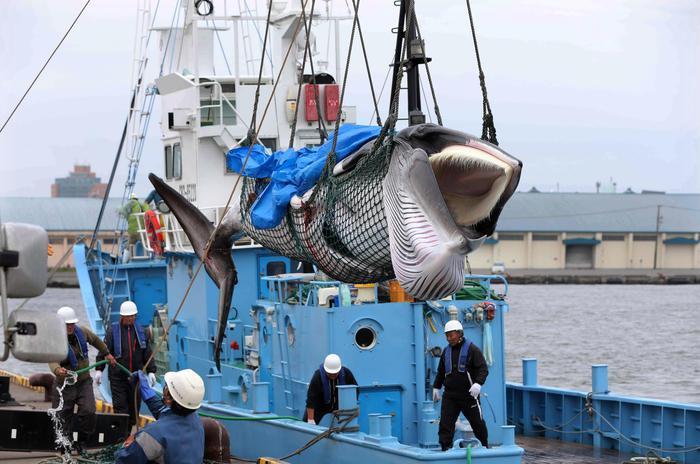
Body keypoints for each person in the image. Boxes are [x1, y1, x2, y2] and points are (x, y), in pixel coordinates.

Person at [49, 306, 116, 452]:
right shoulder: (54, 339)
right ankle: (64, 445)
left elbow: (97, 341)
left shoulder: (83, 332)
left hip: (83, 382)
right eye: (67, 324)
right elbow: (52, 360)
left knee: (89, 411)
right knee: (62, 416)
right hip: (64, 385)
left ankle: (82, 441)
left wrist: (106, 353)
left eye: (72, 324)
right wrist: (57, 370)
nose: (70, 327)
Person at [114, 369, 205, 463]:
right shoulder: (196, 420)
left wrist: (127, 443)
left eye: (166, 387)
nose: (164, 388)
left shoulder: (153, 434)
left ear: (169, 399)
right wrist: (146, 390)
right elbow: (166, 413)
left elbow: (124, 459)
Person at [96, 301, 157, 429]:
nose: (131, 318)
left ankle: (127, 434)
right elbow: (103, 350)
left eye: (133, 316)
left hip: (136, 378)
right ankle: (121, 439)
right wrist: (99, 370)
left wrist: (151, 371)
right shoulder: (112, 331)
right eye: (128, 316)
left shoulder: (142, 332)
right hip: (118, 378)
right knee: (121, 410)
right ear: (122, 316)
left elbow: (147, 352)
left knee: (134, 411)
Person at [432, 320, 489, 450]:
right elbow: (441, 372)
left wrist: (478, 384)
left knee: (477, 423)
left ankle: (484, 447)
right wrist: (436, 387)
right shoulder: (446, 352)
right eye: (447, 335)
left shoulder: (472, 349)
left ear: (459, 334)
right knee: (445, 424)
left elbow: (483, 369)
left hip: (469, 395)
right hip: (450, 396)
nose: (449, 338)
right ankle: (445, 449)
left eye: (451, 335)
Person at [304, 353, 358, 425]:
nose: (332, 376)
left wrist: (352, 407)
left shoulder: (346, 373)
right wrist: (310, 420)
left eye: (335, 374)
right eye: (329, 374)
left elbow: (355, 391)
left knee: (347, 425)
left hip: (339, 407)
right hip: (320, 405)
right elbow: (311, 398)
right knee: (306, 423)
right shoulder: (318, 376)